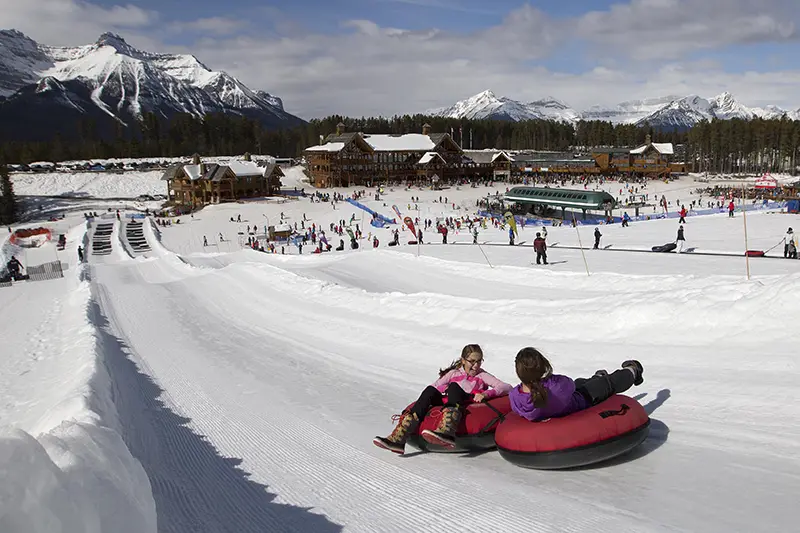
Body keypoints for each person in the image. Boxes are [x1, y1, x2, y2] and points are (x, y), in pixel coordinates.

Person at [373, 344, 512, 454]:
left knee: (454, 388)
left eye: (479, 361)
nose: (476, 366)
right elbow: (435, 386)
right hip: (449, 399)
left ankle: (447, 431)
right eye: (472, 361)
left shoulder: (482, 375)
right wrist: (441, 391)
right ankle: (400, 437)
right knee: (430, 391)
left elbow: (506, 387)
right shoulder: (453, 373)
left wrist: (487, 394)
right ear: (463, 360)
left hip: (467, 400)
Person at [509, 347, 644, 422]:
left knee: (581, 381)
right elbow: (569, 384)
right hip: (581, 400)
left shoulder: (514, 396)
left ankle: (598, 376)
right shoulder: (554, 386)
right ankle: (633, 370)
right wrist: (549, 378)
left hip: (566, 400)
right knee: (607, 384)